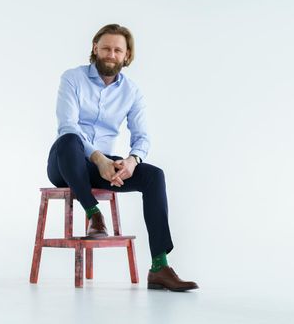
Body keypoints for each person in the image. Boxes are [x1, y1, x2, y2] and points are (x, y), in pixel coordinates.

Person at [46, 24, 198, 292]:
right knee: (69, 139)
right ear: (95, 48)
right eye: (105, 48)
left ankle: (159, 266)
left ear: (127, 55)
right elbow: (67, 126)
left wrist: (131, 161)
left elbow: (142, 137)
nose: (110, 54)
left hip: (105, 164)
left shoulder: (132, 91)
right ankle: (94, 214)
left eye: (117, 50)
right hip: (67, 162)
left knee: (154, 176)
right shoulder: (72, 78)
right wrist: (97, 158)